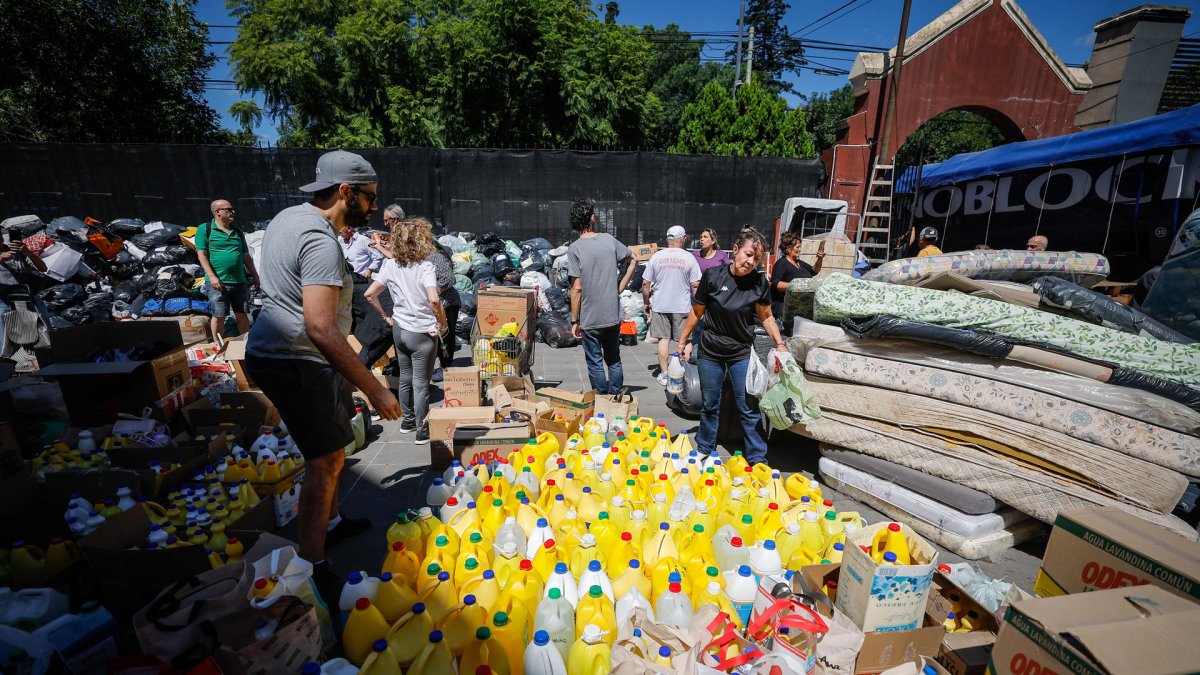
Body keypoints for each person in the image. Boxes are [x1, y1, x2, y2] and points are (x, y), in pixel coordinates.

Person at [243, 150, 402, 580]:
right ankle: (311, 566)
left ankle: (332, 523)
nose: (373, 206)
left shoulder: (287, 219)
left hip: (281, 351)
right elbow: (319, 326)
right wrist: (374, 388)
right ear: (345, 191)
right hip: (296, 358)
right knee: (327, 459)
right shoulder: (320, 241)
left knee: (331, 446)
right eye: (369, 197)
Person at [677, 228, 786, 466]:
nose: (751, 262)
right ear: (735, 250)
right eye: (748, 254)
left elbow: (766, 317)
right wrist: (683, 341)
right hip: (710, 351)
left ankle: (757, 458)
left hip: (740, 353)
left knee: (748, 406)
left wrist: (780, 344)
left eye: (756, 259)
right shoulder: (713, 276)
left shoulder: (759, 282)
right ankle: (704, 448)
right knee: (709, 405)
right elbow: (697, 312)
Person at [364, 217, 447, 444]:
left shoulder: (390, 265)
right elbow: (434, 299)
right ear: (422, 241)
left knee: (405, 378)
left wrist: (386, 317)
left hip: (399, 329)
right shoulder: (425, 267)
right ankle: (422, 428)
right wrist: (441, 324)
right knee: (421, 384)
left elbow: (370, 294)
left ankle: (407, 421)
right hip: (421, 332)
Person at [567, 198, 637, 395]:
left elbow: (576, 289)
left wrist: (575, 320)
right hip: (612, 314)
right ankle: (616, 396)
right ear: (592, 218)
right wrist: (620, 287)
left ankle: (600, 399)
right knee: (614, 359)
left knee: (595, 361)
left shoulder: (575, 249)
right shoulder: (608, 239)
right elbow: (634, 259)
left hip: (590, 317)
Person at [642, 225, 701, 385]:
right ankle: (685, 374)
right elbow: (695, 285)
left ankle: (665, 374)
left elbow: (645, 283)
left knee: (663, 339)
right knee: (685, 340)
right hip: (682, 306)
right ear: (683, 239)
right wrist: (698, 306)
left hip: (661, 305)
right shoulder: (689, 258)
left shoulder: (657, 256)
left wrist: (646, 302)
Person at [195, 199, 259, 340]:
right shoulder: (205, 229)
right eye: (229, 209)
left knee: (242, 314)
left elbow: (246, 256)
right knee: (219, 316)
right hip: (218, 282)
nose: (233, 212)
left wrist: (255, 275)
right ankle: (218, 346)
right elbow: (202, 254)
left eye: (232, 209)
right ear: (217, 212)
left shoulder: (237, 232)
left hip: (239, 281)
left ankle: (244, 345)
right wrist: (212, 276)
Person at [769, 231, 823, 327]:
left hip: (800, 309)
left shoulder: (799, 263)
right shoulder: (782, 263)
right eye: (797, 247)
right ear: (789, 248)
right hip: (786, 309)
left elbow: (814, 271)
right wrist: (797, 286)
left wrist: (820, 259)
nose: (799, 250)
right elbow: (775, 284)